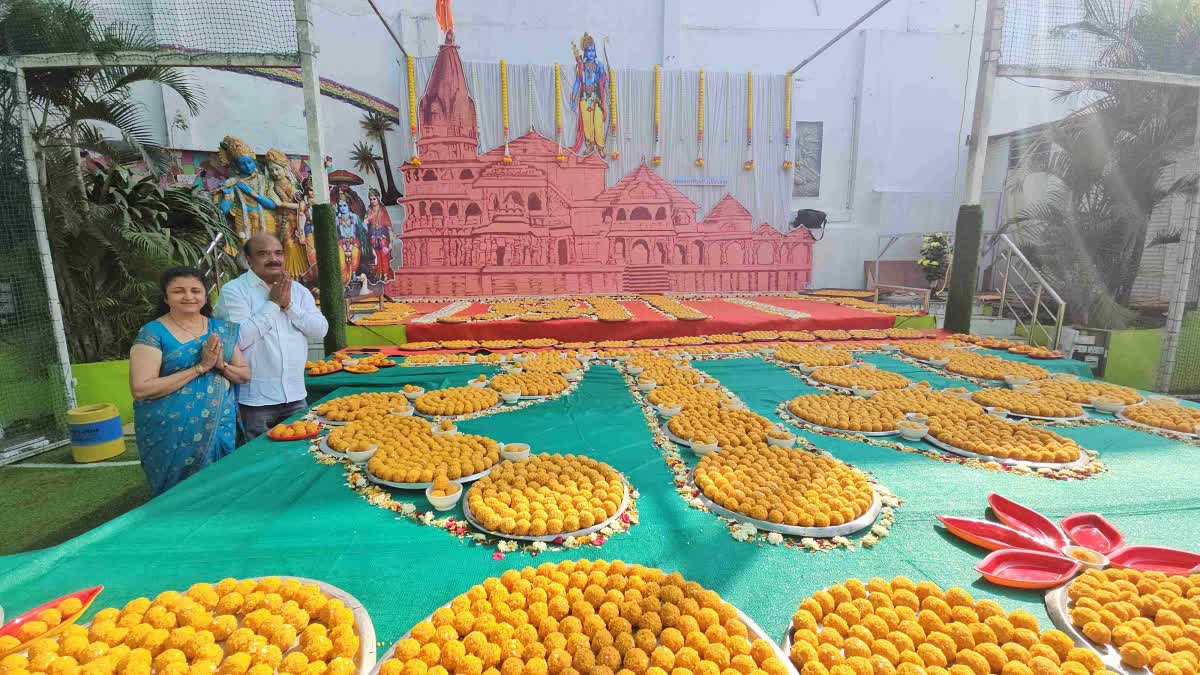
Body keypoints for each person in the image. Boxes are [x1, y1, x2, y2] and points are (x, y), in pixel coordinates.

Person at [130, 267, 251, 494]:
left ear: (205, 296)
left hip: (219, 426)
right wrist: (200, 367)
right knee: (180, 495)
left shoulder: (221, 329)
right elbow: (141, 388)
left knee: (224, 488)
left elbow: (244, 375)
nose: (188, 296)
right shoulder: (153, 332)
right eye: (178, 291)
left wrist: (220, 366)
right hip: (170, 432)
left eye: (196, 290)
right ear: (166, 297)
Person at [215, 232, 329, 441]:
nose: (274, 259)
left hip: (296, 394)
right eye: (264, 254)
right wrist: (273, 304)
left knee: (298, 456)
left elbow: (320, 330)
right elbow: (237, 340)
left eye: (278, 253)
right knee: (259, 461)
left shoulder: (299, 292)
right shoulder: (234, 291)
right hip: (255, 400)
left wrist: (290, 306)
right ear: (248, 259)